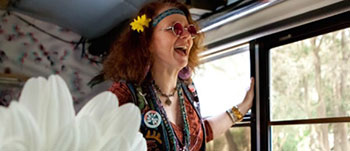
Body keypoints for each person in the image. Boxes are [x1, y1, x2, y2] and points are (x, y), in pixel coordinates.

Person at [103, 1, 254, 150]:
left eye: (190, 31)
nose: (187, 37)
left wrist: (243, 107)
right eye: (176, 28)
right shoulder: (123, 96)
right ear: (147, 41)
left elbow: (201, 135)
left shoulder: (189, 92)